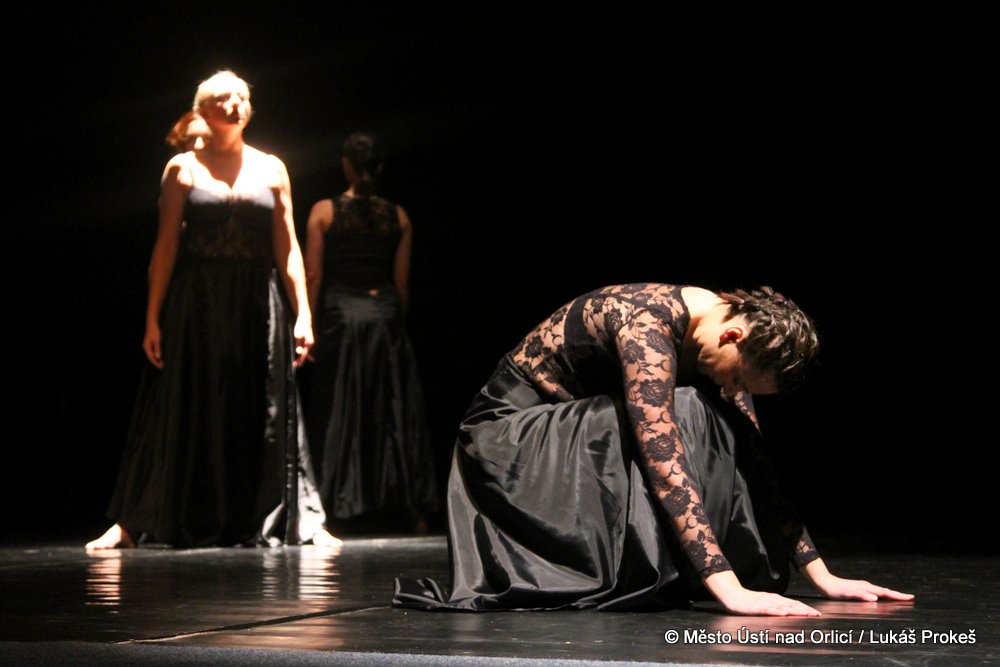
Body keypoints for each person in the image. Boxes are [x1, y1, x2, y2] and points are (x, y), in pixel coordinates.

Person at [393, 283, 913, 615]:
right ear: (733, 336)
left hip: (573, 434)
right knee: (685, 410)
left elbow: (756, 457)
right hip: (508, 443)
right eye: (738, 378)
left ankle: (686, 567)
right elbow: (664, 465)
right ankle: (683, 570)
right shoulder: (647, 327)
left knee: (715, 418)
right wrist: (728, 590)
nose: (733, 387)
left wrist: (820, 574)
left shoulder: (718, 339)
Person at [86, 70, 340, 550]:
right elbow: (165, 247)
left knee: (268, 406)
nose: (236, 104)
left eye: (242, 97)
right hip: (197, 301)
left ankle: (301, 520)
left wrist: (303, 314)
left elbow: (288, 247)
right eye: (224, 97)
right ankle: (134, 521)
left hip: (257, 300)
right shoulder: (182, 168)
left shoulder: (271, 168)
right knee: (181, 402)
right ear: (203, 109)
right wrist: (152, 317)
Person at [300, 132, 439, 534]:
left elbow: (313, 275)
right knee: (393, 410)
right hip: (384, 316)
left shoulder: (323, 211)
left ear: (345, 164)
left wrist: (308, 322)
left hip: (342, 317)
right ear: (379, 167)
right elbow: (401, 282)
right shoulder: (399, 216)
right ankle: (409, 509)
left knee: (342, 408)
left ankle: (335, 506)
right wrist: (395, 321)